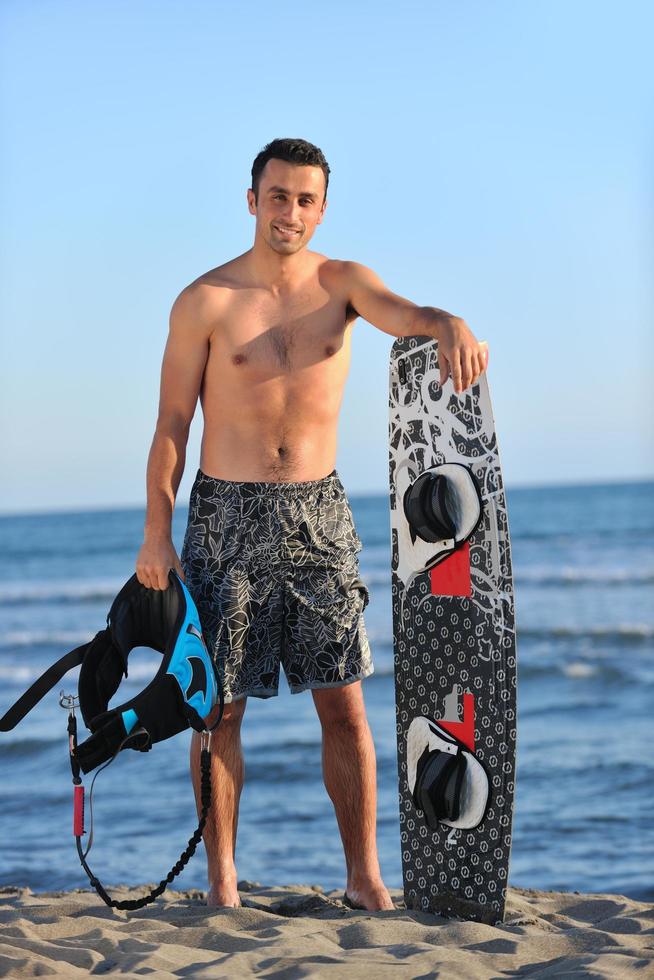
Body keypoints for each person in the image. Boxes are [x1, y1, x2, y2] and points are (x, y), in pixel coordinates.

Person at [135, 137, 487, 911]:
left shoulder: (343, 284)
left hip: (319, 518)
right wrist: (157, 530)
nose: (288, 211)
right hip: (224, 518)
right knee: (217, 705)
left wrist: (447, 320)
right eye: (276, 195)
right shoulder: (207, 300)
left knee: (344, 702)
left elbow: (407, 316)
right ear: (251, 197)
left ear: (321, 208)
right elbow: (171, 424)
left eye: (304, 199)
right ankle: (223, 881)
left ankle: (364, 877)